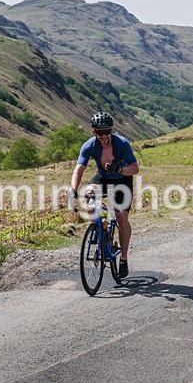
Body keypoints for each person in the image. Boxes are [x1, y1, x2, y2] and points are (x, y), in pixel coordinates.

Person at [71, 112, 139, 278]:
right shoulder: (89, 146)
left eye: (106, 131)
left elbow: (135, 168)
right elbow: (79, 169)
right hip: (104, 177)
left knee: (121, 218)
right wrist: (73, 188)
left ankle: (123, 258)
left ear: (111, 130)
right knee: (88, 194)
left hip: (122, 180)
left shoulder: (121, 143)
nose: (103, 136)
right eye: (99, 133)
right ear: (94, 132)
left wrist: (120, 169)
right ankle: (99, 228)